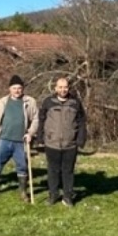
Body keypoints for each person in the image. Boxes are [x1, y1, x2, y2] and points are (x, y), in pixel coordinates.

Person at [0, 74, 39, 201]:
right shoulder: (2, 102)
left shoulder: (30, 102)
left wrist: (30, 133)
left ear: (23, 89)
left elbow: (36, 119)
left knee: (22, 166)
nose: (17, 91)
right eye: (14, 88)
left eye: (19, 88)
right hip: (4, 139)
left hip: (21, 142)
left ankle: (23, 192)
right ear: (9, 89)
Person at [37, 77, 87, 207]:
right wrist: (40, 137)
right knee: (53, 170)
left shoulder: (75, 102)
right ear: (55, 88)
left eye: (65, 87)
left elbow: (82, 122)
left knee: (68, 171)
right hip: (52, 143)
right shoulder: (48, 102)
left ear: (68, 88)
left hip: (70, 144)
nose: (63, 90)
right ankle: (53, 195)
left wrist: (81, 139)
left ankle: (67, 196)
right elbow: (41, 119)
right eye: (60, 87)